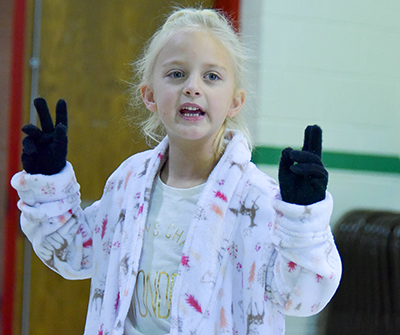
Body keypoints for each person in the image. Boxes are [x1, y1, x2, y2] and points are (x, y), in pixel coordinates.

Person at [11, 7, 341, 335]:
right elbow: (77, 254)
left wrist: (302, 223)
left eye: (212, 76)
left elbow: (300, 299)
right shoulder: (129, 183)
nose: (192, 87)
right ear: (150, 95)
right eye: (176, 74)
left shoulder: (257, 198)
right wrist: (49, 182)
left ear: (235, 102)